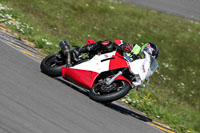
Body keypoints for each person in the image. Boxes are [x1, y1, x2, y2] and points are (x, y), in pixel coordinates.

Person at [59, 40, 159, 66]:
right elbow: (118, 42)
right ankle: (77, 51)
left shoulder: (140, 66)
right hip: (107, 56)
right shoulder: (135, 48)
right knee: (109, 44)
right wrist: (124, 46)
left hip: (113, 67)